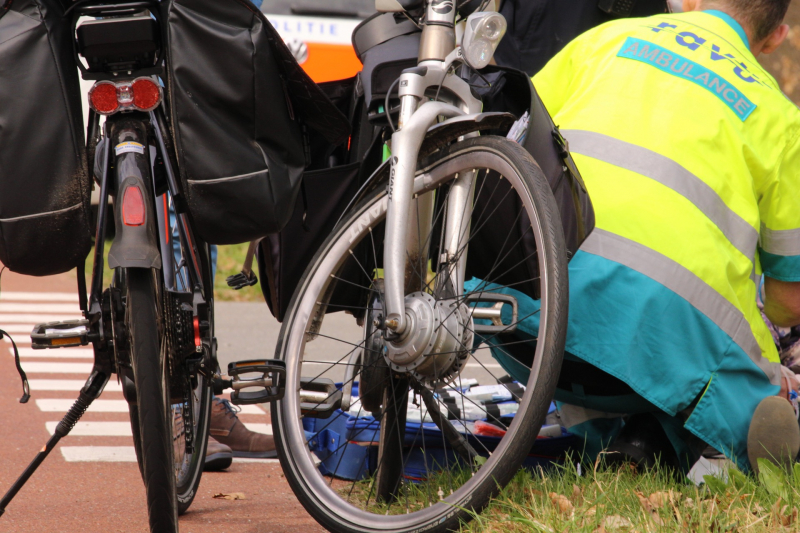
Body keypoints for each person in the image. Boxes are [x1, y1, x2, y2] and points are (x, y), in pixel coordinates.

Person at [486, 0, 800, 474]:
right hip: (656, 357)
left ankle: (623, 439)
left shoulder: (603, 40)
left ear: (689, 1)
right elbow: (789, 301)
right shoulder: (781, 120)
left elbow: (510, 140)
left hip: (520, 322)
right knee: (752, 381)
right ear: (776, 37)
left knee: (634, 339)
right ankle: (689, 440)